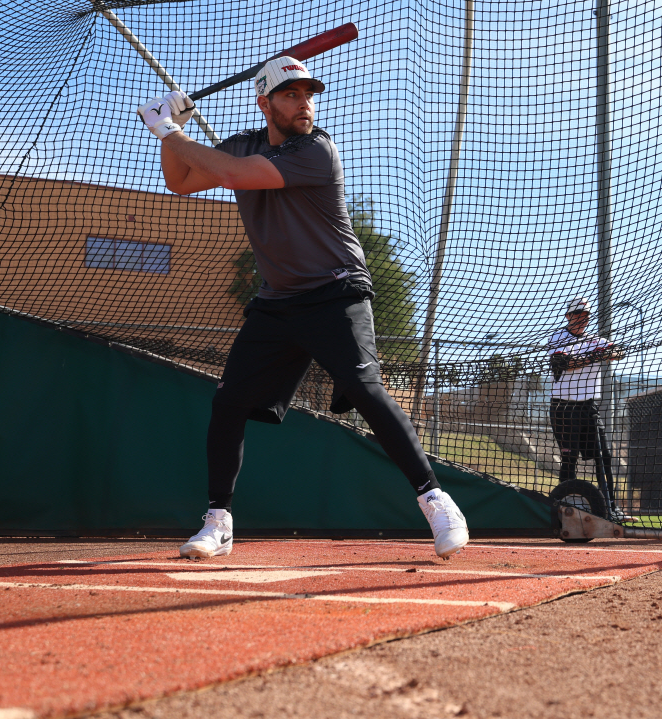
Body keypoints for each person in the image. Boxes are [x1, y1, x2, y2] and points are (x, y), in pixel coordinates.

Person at [135, 57, 469, 560]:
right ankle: (218, 520)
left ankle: (436, 500)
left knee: (363, 388)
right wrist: (171, 135)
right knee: (228, 403)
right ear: (264, 102)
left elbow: (231, 174)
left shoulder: (315, 150)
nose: (305, 103)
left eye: (308, 94)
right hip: (278, 301)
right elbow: (180, 181)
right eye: (291, 95)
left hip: (336, 292)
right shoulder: (246, 141)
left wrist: (166, 127)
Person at [547, 298, 634, 522]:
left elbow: (618, 353)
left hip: (589, 407)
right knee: (569, 458)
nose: (581, 319)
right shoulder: (558, 337)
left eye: (584, 315)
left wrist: (602, 353)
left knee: (603, 457)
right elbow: (565, 363)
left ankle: (610, 509)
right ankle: (565, 509)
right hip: (563, 407)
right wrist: (597, 355)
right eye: (576, 314)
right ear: (568, 316)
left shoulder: (596, 340)